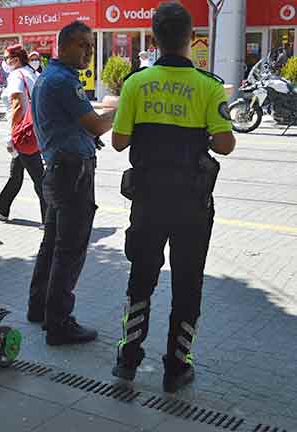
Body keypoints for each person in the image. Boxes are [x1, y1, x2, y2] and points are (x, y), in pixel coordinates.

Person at [110, 3, 236, 393]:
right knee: (187, 284)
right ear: (191, 37)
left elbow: (118, 142)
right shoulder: (209, 86)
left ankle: (127, 361)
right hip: (192, 207)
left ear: (154, 38)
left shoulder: (135, 83)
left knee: (141, 278)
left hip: (147, 201)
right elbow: (225, 145)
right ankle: (176, 368)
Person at [27, 22, 115, 346]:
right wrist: (121, 110)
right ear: (62, 47)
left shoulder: (49, 78)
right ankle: (59, 322)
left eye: (91, 46)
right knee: (70, 249)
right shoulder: (63, 81)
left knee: (52, 244)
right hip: (72, 174)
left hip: (59, 170)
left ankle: (39, 307)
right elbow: (94, 125)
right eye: (82, 45)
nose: (89, 52)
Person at [0, 45, 46, 225]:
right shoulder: (33, 74)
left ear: (15, 60)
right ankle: (2, 206)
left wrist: (12, 135)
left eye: (6, 58)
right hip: (34, 129)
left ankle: (50, 217)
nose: (5, 63)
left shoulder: (16, 75)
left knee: (39, 177)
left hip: (24, 133)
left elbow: (18, 105)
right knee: (16, 173)